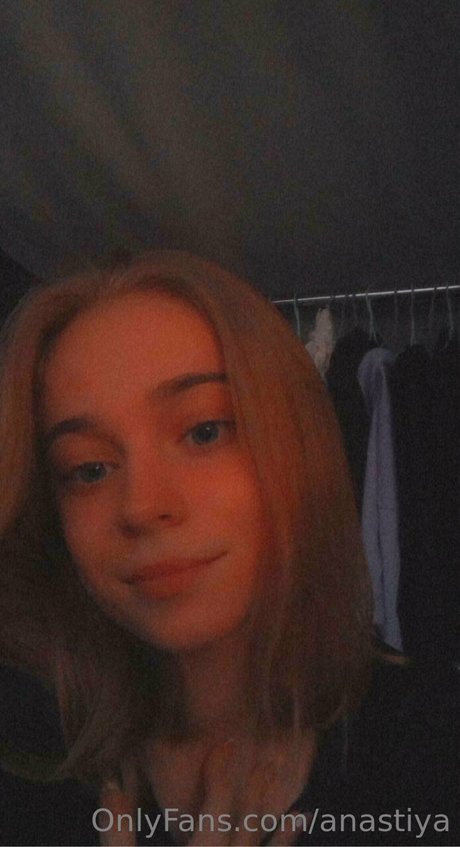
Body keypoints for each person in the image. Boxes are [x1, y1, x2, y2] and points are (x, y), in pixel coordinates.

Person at [0, 251, 457, 846]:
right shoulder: (27, 770)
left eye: (204, 431)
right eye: (89, 468)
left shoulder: (434, 748)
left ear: (299, 446)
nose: (142, 506)